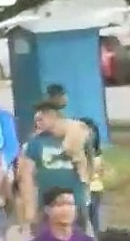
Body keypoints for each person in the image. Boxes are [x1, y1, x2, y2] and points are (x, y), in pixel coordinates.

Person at [19, 100, 89, 233]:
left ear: (54, 116)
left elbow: (88, 165)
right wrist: (30, 208)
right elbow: (26, 176)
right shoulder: (36, 142)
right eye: (37, 119)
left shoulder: (76, 137)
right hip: (47, 205)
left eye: (42, 117)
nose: (39, 122)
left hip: (74, 204)